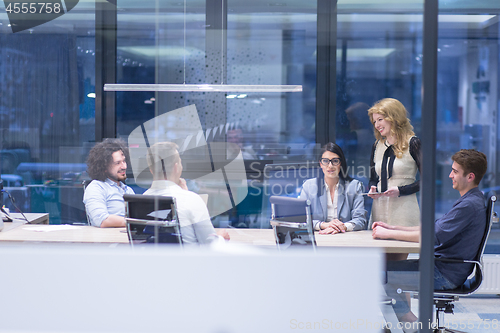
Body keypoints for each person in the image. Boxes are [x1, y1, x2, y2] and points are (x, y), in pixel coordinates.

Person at [372, 149, 488, 325]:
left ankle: (410, 324)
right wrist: (392, 227)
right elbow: (432, 230)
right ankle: (408, 323)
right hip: (441, 267)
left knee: (380, 273)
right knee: (384, 270)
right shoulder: (472, 200)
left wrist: (387, 234)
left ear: (470, 176)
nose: (450, 175)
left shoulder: (469, 205)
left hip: (443, 274)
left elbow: (432, 237)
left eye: (455, 171)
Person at [143, 141, 229, 244]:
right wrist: (220, 237)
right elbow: (210, 245)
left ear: (151, 170)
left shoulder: (141, 200)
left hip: (152, 260)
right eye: (180, 162)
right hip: (187, 260)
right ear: (176, 167)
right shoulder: (192, 200)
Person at [367, 98, 421, 229]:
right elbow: (373, 178)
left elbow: (428, 180)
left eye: (380, 119)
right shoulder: (377, 145)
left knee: (399, 248)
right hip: (379, 208)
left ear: (394, 118)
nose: (376, 125)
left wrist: (401, 190)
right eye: (374, 121)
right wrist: (373, 188)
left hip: (404, 209)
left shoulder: (413, 143)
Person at [299, 142, 367, 234]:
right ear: (320, 164)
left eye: (335, 161)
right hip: (319, 237)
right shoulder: (308, 186)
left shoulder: (354, 186)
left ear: (341, 163)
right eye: (325, 161)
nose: (330, 165)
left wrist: (342, 227)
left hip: (346, 238)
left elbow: (360, 220)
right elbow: (302, 219)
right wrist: (323, 225)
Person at [83, 138, 135, 228]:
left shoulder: (128, 190)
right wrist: (136, 222)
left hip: (130, 238)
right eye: (118, 163)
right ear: (104, 167)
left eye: (124, 161)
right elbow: (102, 220)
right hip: (108, 240)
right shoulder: (96, 187)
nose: (124, 166)